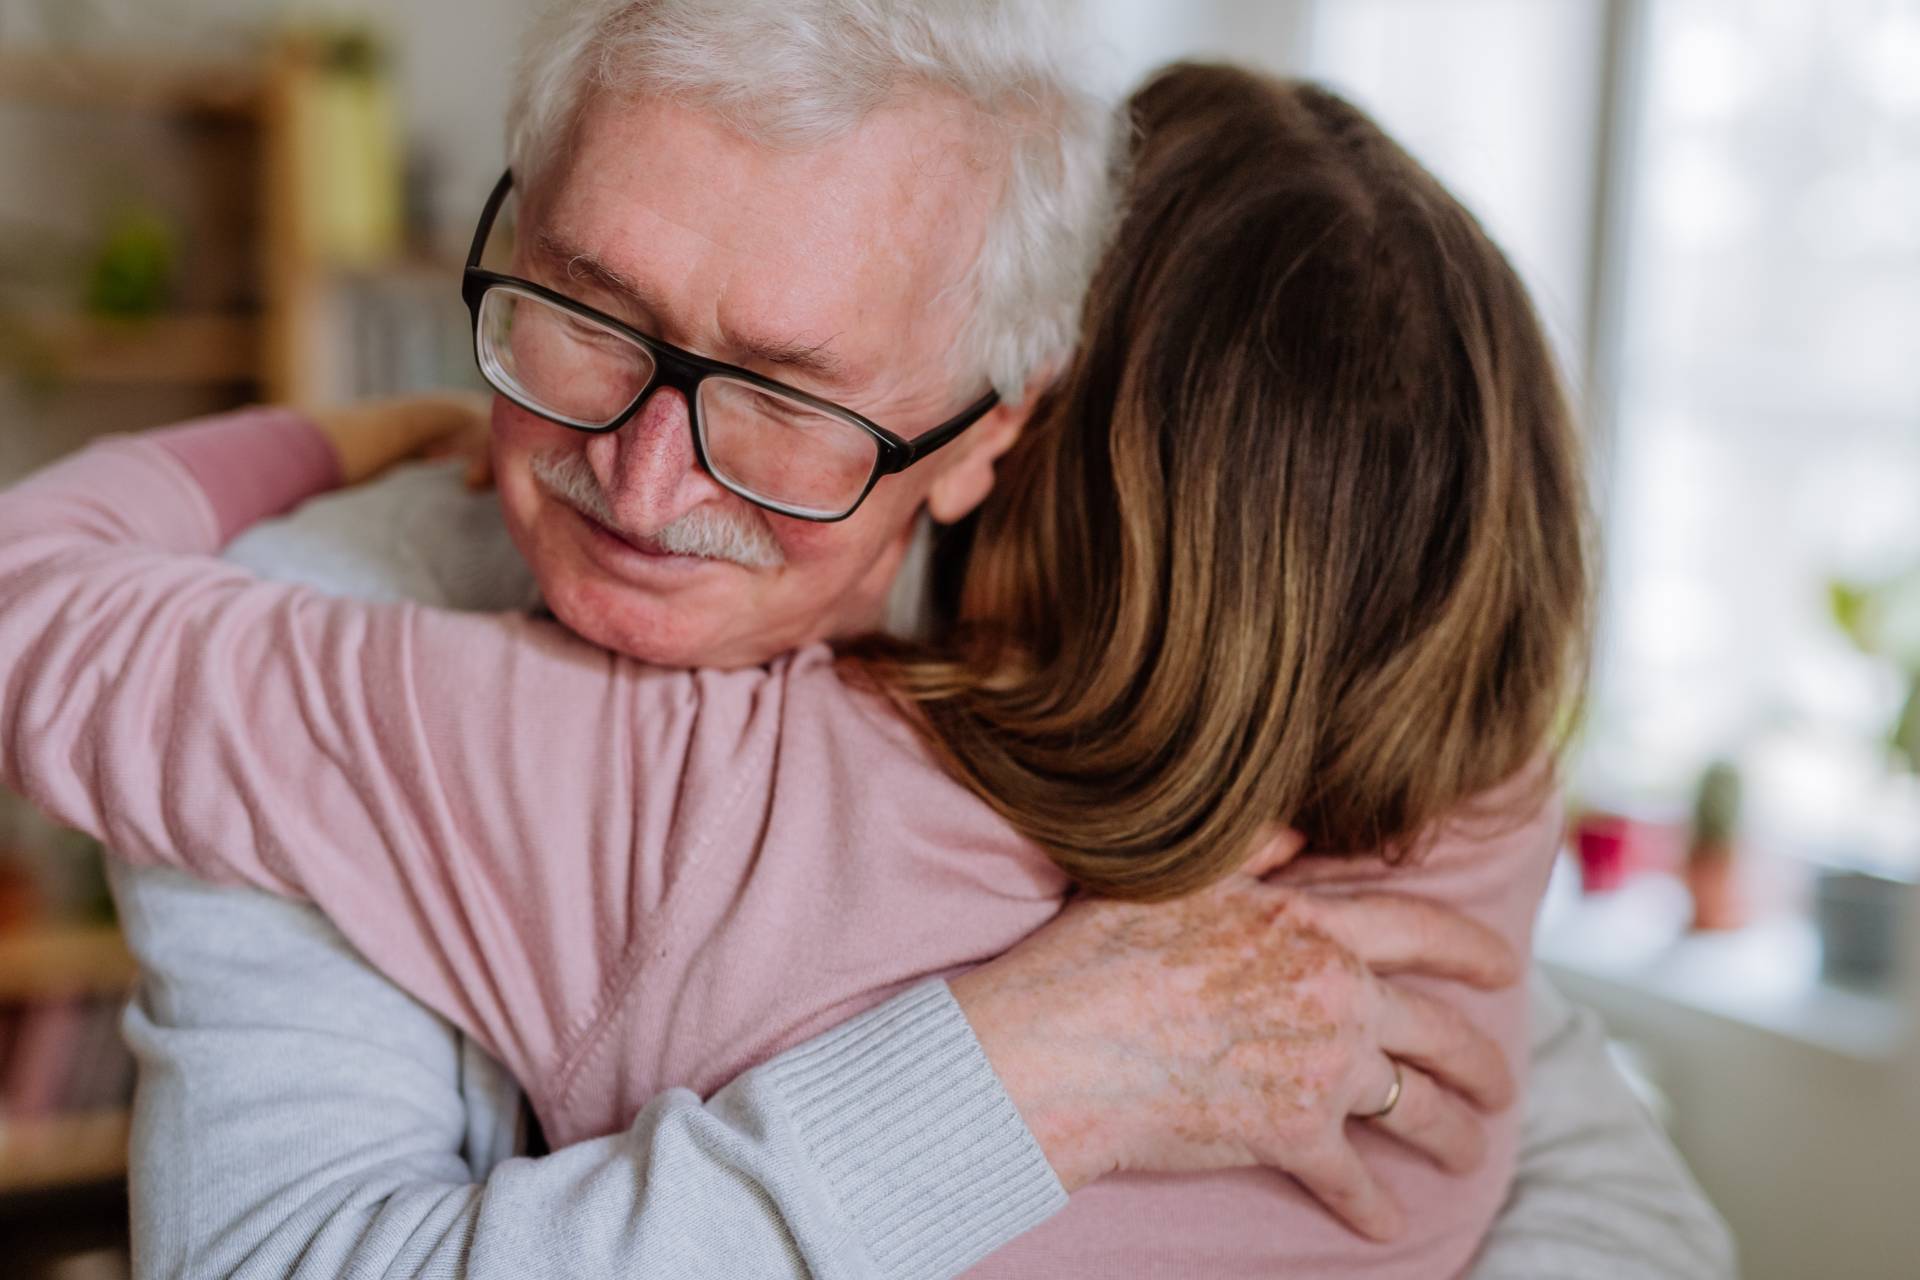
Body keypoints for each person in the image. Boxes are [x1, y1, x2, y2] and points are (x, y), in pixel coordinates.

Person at [30, 1, 1730, 1275]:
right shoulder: (1454, 827)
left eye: (784, 398)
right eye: (581, 311)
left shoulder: (686, 794)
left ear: (1003, 426)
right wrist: (1033, 1074)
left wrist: (325, 425)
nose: (639, 472)